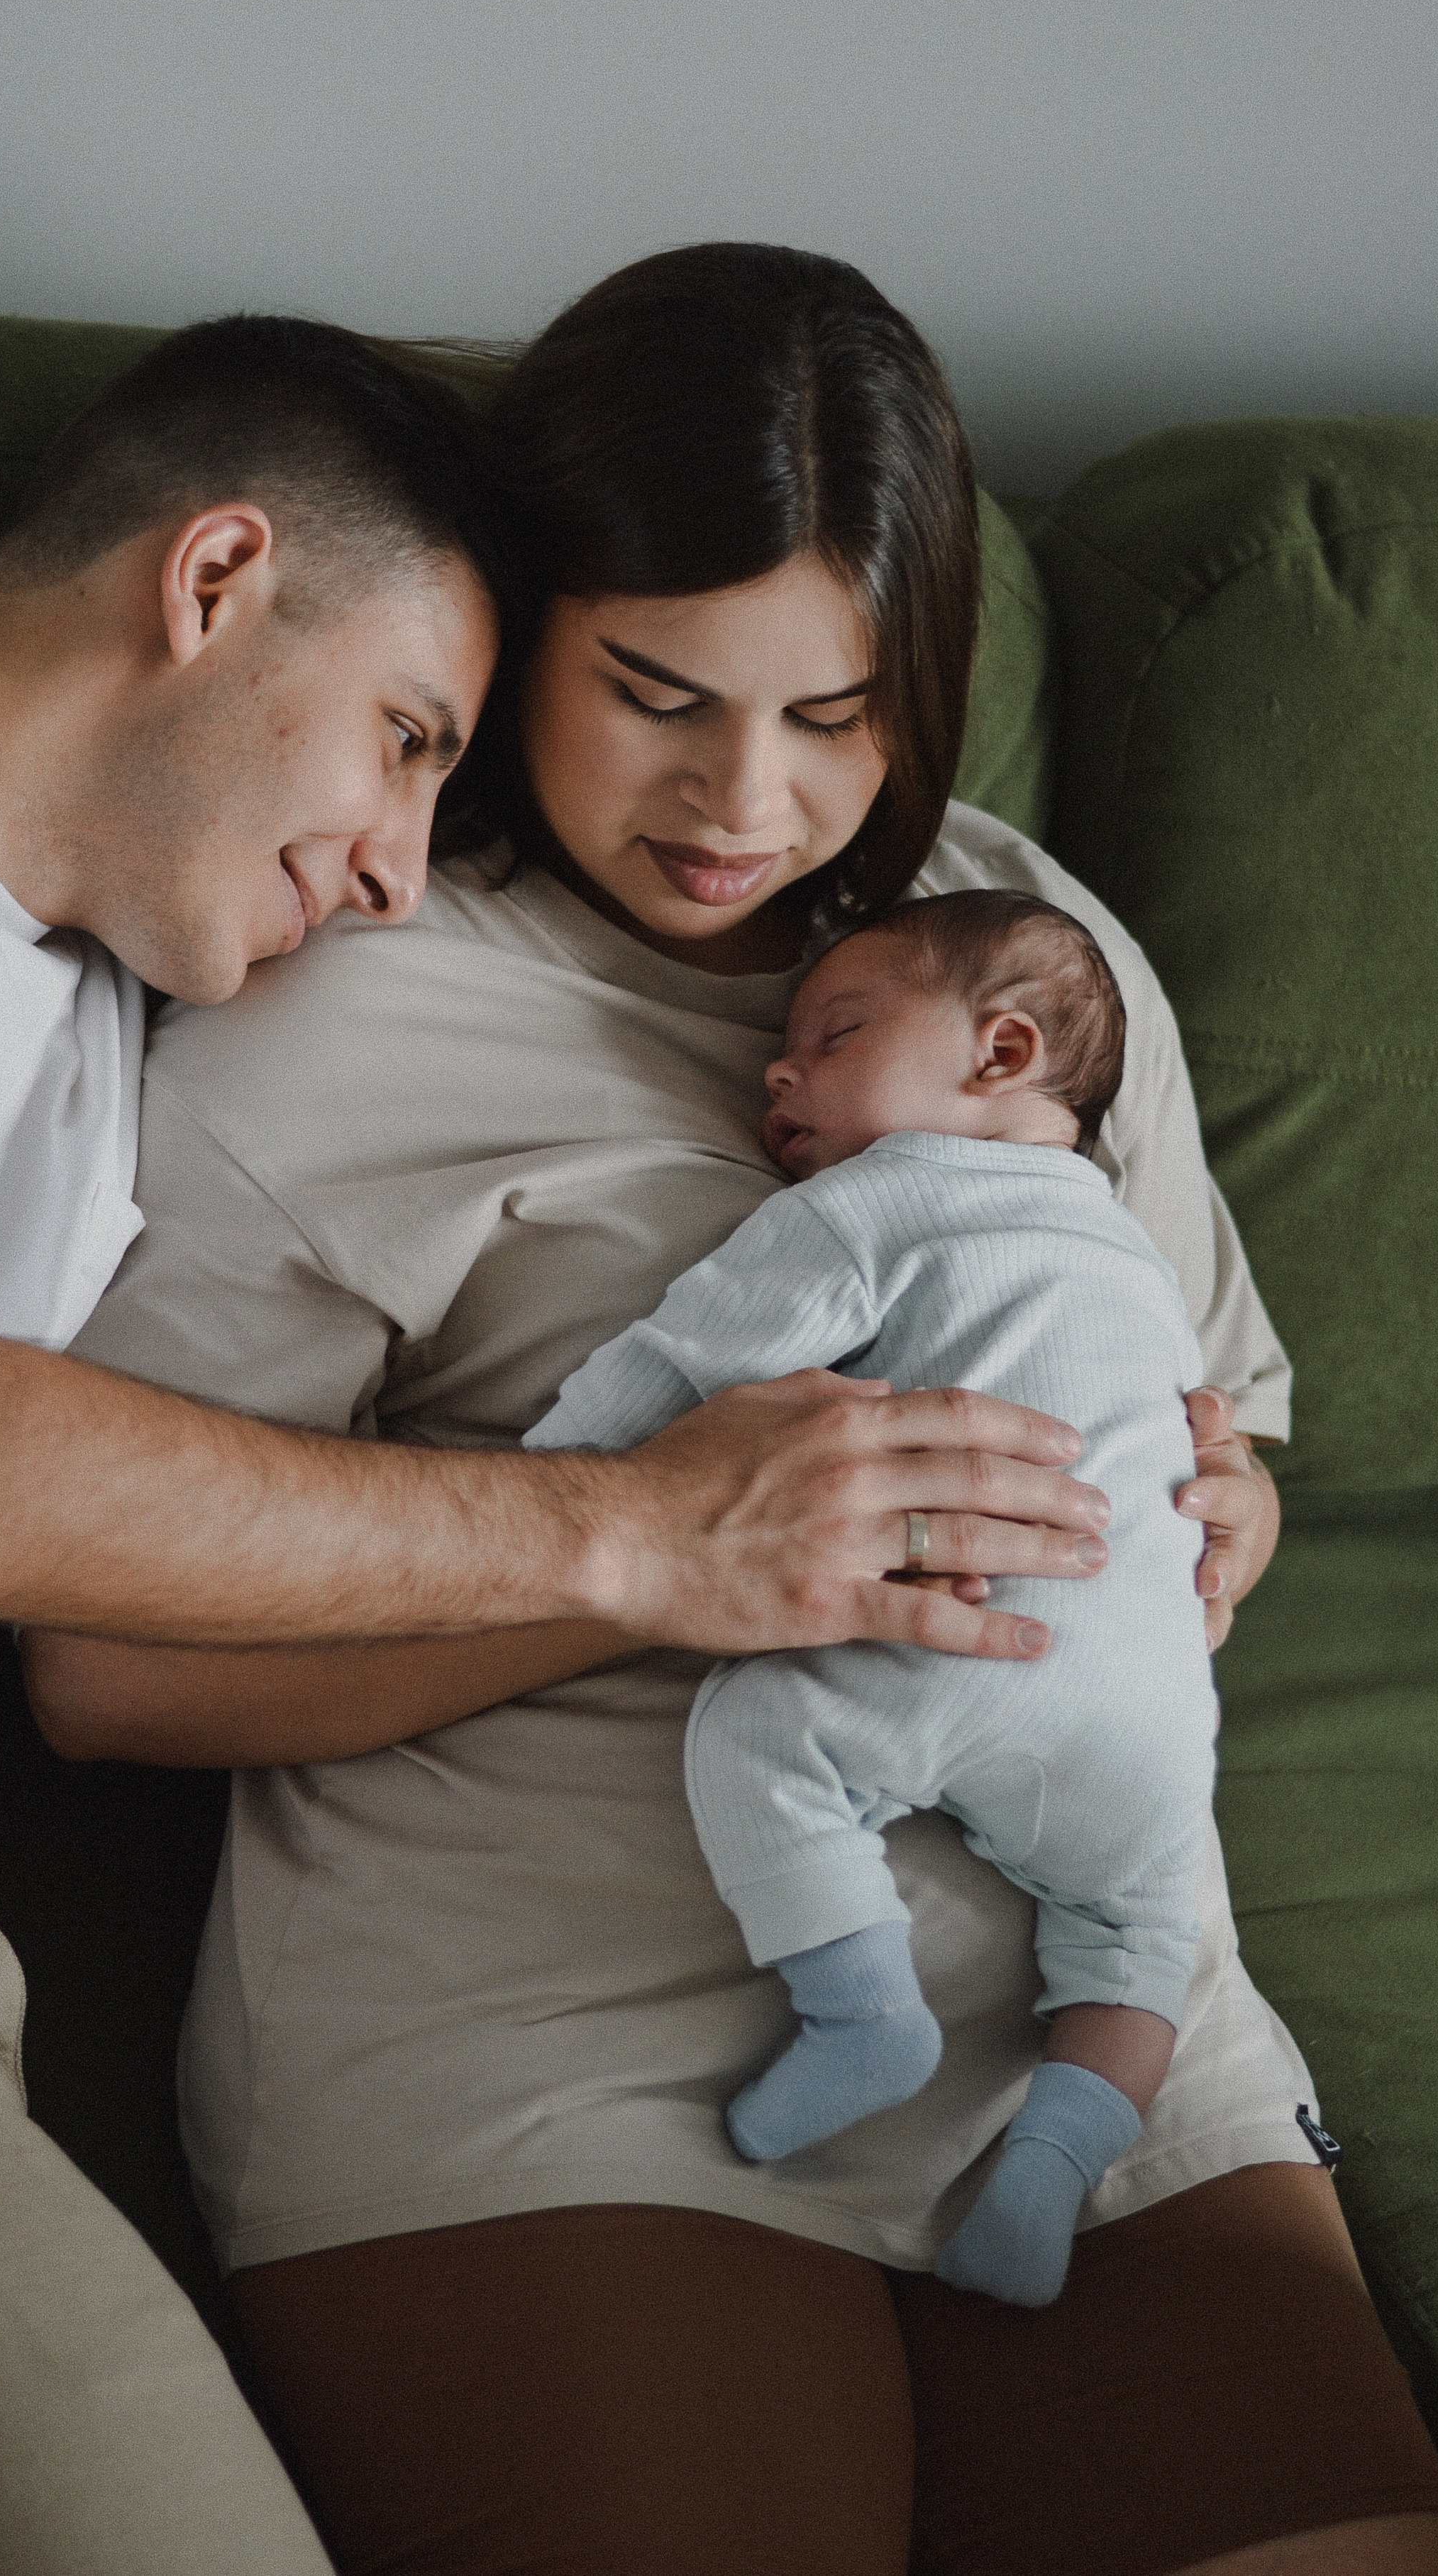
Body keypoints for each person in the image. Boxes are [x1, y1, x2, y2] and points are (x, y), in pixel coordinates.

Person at [27, 250, 1438, 2574]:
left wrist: (1223, 1519)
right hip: (543, 2028)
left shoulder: (1033, 955)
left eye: (837, 718)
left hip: (1087, 1995)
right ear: (519, 619)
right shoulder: (341, 997)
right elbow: (100, 1668)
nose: (746, 802)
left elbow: (1229, 1430)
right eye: (659, 695)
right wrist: (656, 1548)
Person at [0, 311, 1109, 2576]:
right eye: (408, 738)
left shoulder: (86, 998)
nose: (399, 867)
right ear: (215, 579)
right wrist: (639, 1533)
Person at [528, 888, 1220, 2310]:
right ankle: (1041, 2178)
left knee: (762, 1734)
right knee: (1145, 1942)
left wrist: (544, 1482)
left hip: (960, 1636)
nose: (778, 1072)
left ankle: (861, 2018)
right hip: (1155, 1705)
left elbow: (688, 1356)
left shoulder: (879, 1196)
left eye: (833, 1033)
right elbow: (1198, 1441)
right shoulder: (1139, 1262)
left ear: (1000, 1051)